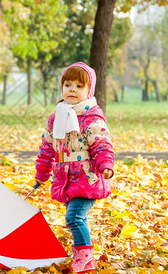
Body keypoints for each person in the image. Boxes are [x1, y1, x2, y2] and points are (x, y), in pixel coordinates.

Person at [35, 62, 114, 273]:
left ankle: (85, 259)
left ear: (89, 91)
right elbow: (46, 149)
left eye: (79, 86)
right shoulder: (56, 118)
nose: (72, 89)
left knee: (74, 218)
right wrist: (41, 174)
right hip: (66, 179)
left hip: (88, 178)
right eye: (68, 84)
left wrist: (106, 164)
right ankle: (81, 250)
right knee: (76, 217)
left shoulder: (92, 119)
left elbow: (102, 144)